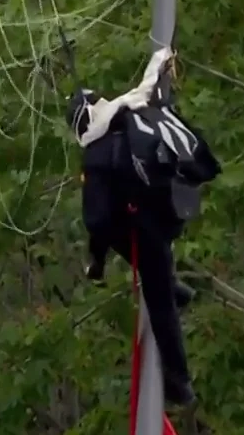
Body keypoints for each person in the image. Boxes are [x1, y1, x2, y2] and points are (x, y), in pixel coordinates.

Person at [66, 78, 220, 406]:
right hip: (173, 207)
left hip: (146, 225)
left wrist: (98, 256)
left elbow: (97, 219)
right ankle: (176, 287)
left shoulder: (97, 152)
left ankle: (180, 381)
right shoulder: (136, 117)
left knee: (160, 302)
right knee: (159, 272)